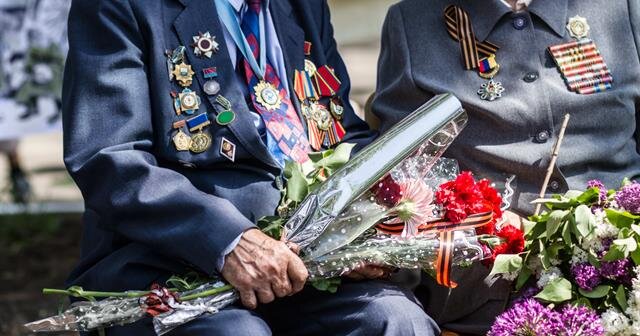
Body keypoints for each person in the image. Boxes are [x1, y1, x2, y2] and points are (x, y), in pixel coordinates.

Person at [63, 0, 440, 335]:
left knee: (396, 320)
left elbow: (336, 127)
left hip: (307, 263)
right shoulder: (119, 5)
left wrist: (369, 219)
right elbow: (110, 159)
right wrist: (227, 240)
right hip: (173, 263)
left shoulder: (300, 6)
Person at [372, 0, 640, 334]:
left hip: (623, 267)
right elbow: (401, 179)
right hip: (494, 285)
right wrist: (479, 224)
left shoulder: (619, 7)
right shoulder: (413, 21)